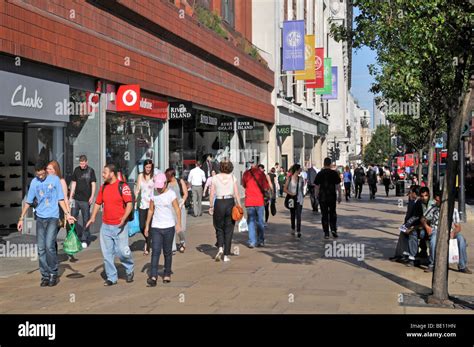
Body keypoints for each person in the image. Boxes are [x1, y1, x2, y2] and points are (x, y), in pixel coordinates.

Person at [18, 162, 76, 287]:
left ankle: (53, 273)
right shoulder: (34, 182)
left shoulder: (55, 180)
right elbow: (28, 202)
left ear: (45, 171)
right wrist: (21, 218)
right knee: (41, 248)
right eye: (38, 175)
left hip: (52, 217)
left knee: (50, 245)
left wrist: (67, 214)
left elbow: (61, 199)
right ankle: (45, 275)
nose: (40, 177)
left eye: (42, 174)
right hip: (40, 218)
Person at [85, 164, 135, 286]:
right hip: (106, 226)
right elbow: (97, 203)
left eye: (105, 172)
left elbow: (129, 204)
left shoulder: (123, 186)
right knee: (107, 254)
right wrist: (92, 217)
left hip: (120, 226)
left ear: (112, 173)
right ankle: (112, 277)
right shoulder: (103, 187)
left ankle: (129, 268)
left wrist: (124, 218)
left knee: (123, 251)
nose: (103, 175)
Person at [144, 173, 182, 286]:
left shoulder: (171, 194)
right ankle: (153, 276)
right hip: (156, 227)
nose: (159, 189)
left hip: (169, 227)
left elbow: (177, 209)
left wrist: (178, 224)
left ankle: (167, 273)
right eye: (157, 187)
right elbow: (151, 210)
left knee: (167, 252)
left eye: (161, 187)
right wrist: (147, 225)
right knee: (155, 251)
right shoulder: (153, 193)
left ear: (165, 184)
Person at [209, 160, 241, 262]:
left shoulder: (215, 178)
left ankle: (220, 248)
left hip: (219, 202)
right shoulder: (232, 177)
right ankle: (226, 255)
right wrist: (239, 206)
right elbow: (236, 194)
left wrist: (211, 206)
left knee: (218, 227)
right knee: (229, 229)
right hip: (230, 202)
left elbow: (212, 194)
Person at [69, 155, 96, 248]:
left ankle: (84, 239)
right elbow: (74, 182)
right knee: (72, 218)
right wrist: (71, 196)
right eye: (80, 163)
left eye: (83, 163)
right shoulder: (76, 170)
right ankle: (74, 237)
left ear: (86, 162)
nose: (82, 165)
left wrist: (92, 196)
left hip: (85, 200)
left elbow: (93, 184)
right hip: (76, 199)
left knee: (86, 219)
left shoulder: (90, 171)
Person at [242, 160, 270, 248]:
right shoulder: (261, 173)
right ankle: (260, 240)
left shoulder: (246, 173)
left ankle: (252, 242)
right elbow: (266, 187)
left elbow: (244, 185)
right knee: (260, 221)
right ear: (257, 165)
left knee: (250, 222)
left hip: (249, 200)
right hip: (259, 201)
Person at [46, 160, 71, 254]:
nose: (47, 170)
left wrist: (67, 214)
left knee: (51, 237)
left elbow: (65, 198)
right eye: (47, 168)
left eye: (50, 169)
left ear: (55, 170)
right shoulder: (46, 180)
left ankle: (52, 258)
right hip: (47, 212)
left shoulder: (61, 181)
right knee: (49, 237)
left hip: (58, 212)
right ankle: (52, 257)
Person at [390, 185, 420, 262]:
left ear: (414, 193)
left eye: (410, 192)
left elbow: (415, 217)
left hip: (417, 226)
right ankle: (401, 254)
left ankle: (405, 255)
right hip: (411, 224)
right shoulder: (412, 202)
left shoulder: (416, 203)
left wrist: (409, 226)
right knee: (402, 232)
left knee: (408, 233)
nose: (409, 194)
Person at [314, 158, 342, 239]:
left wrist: (316, 196)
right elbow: (338, 186)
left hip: (322, 197)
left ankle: (326, 232)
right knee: (333, 213)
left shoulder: (320, 174)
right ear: (330, 164)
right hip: (332, 196)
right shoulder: (334, 173)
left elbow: (316, 186)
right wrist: (339, 196)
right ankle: (333, 229)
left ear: (323, 164)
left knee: (324, 214)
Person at [405, 186, 433, 267]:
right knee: (412, 233)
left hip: (430, 228)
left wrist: (415, 227)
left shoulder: (432, 204)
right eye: (422, 196)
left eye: (426, 195)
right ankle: (412, 258)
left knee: (421, 233)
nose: (424, 198)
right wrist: (407, 226)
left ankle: (429, 258)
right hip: (421, 227)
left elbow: (428, 220)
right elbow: (415, 217)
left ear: (429, 195)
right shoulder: (418, 203)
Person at [165, 168, 188, 253]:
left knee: (181, 228)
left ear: (173, 175)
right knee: (172, 227)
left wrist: (183, 201)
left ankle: (182, 242)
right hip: (170, 208)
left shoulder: (180, 181)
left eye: (168, 176)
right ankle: (173, 247)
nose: (167, 178)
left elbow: (185, 193)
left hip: (180, 206)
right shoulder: (166, 184)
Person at [134, 159, 154, 255]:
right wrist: (134, 200)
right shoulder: (140, 176)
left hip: (151, 205)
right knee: (142, 226)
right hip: (142, 204)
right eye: (146, 167)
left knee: (149, 226)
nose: (148, 169)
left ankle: (147, 247)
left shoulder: (154, 176)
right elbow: (137, 189)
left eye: (150, 167)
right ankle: (148, 240)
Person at [284, 164, 305, 238]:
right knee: (292, 214)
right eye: (300, 169)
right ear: (297, 170)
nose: (301, 170)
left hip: (299, 199)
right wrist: (291, 194)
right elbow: (285, 189)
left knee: (299, 215)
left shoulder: (301, 179)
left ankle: (298, 230)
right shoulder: (289, 178)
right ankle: (293, 228)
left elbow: (302, 189)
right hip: (291, 199)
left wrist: (302, 196)